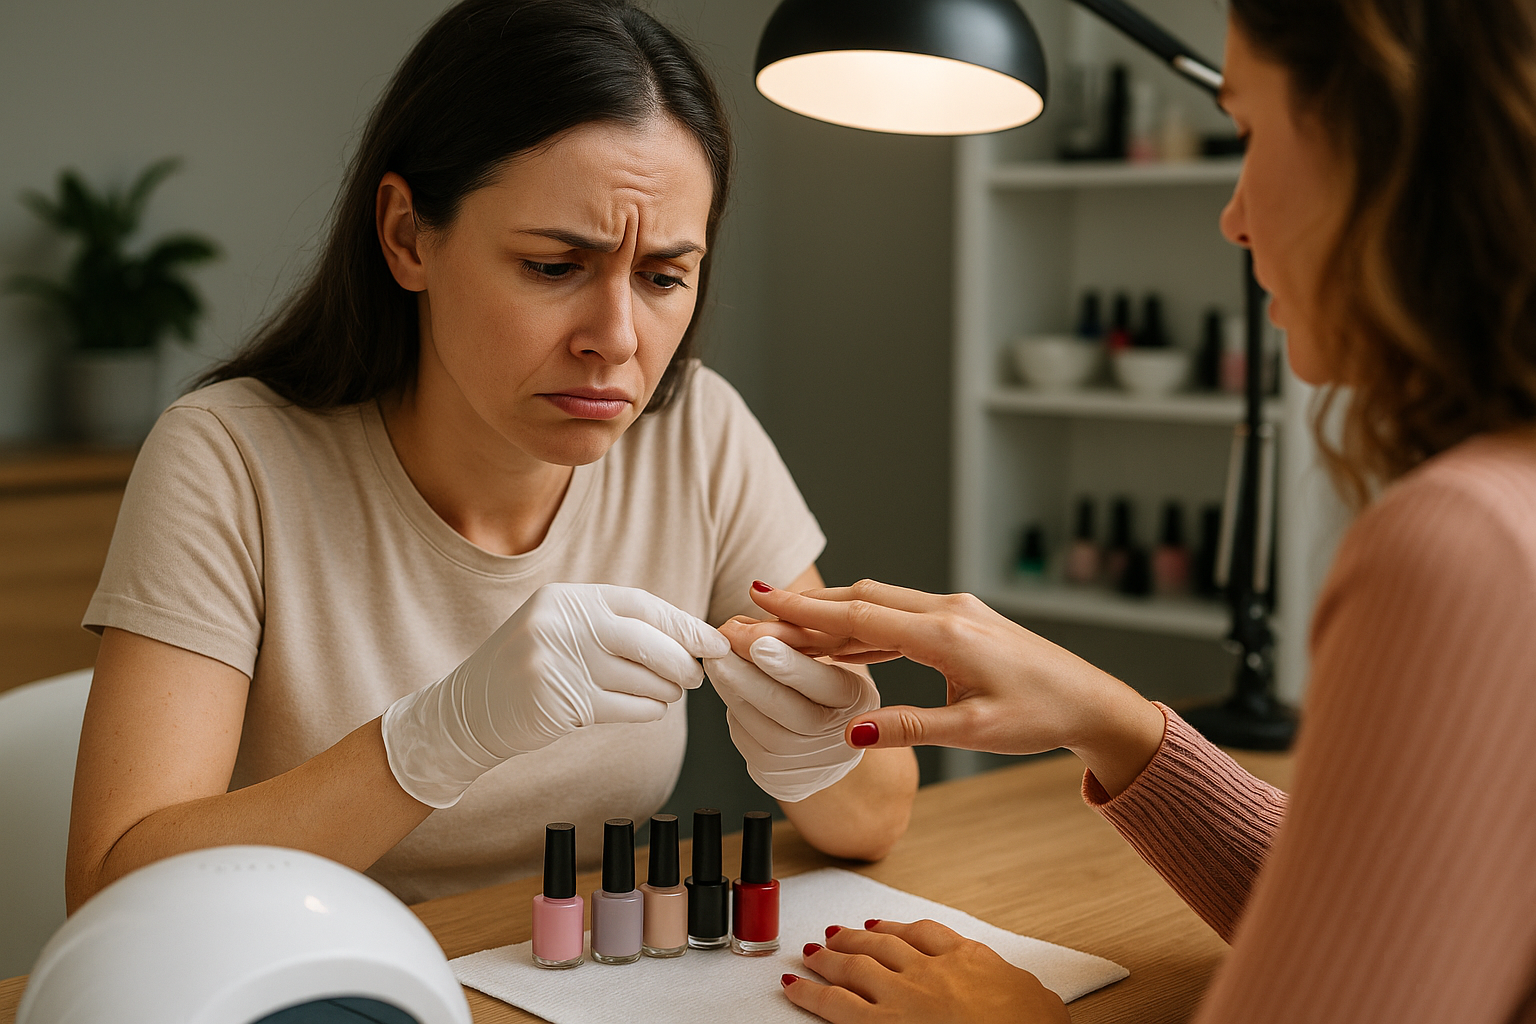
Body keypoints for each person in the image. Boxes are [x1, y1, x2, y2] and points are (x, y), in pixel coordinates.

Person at [729, 2, 1536, 1021]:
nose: (1233, 217)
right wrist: (1111, 720)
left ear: (1381, 139)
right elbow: (1380, 916)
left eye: (1249, 132)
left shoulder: (1465, 544)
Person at [66, 0, 917, 911]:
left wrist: (819, 751)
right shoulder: (231, 459)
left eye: (663, 276)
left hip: (576, 967)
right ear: (407, 236)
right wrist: (432, 739)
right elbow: (113, 892)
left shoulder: (695, 431)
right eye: (554, 266)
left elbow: (873, 821)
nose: (616, 339)